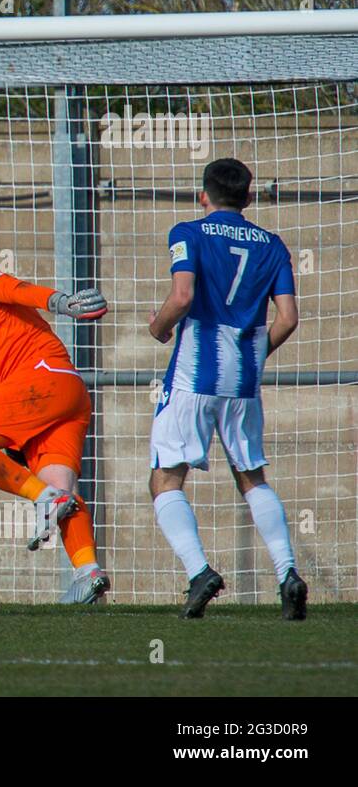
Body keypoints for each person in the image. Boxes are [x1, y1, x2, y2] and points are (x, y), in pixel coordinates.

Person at [148, 158, 306, 619]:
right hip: (243, 381)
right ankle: (288, 573)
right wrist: (254, 357)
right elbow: (289, 319)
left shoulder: (189, 232)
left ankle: (199, 572)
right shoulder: (272, 245)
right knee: (252, 477)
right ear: (249, 198)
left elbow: (182, 297)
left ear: (204, 195)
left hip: (194, 375)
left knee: (165, 478)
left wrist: (157, 327)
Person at [0, 227, 111, 603]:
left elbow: (12, 288)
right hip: (66, 391)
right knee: (62, 489)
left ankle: (42, 498)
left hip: (41, 379)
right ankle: (88, 571)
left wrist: (61, 302)